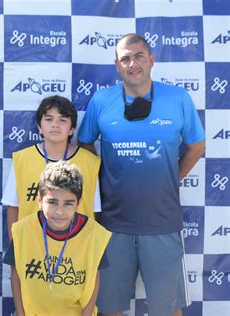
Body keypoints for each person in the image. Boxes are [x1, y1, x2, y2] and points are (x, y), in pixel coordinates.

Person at [78, 33, 205, 316]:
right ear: (117, 65)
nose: (132, 63)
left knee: (168, 308)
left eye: (138, 56)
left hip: (162, 222)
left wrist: (173, 177)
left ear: (151, 60)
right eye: (125, 58)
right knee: (110, 307)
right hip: (112, 224)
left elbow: (196, 146)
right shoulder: (101, 100)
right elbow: (84, 143)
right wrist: (104, 176)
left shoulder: (178, 98)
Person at [3, 161, 111, 315]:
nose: (59, 211)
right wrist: (21, 313)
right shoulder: (22, 231)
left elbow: (94, 278)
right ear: (40, 200)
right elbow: (16, 275)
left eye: (68, 204)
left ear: (78, 203)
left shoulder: (93, 234)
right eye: (52, 202)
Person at [2, 95, 101, 240]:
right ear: (39, 127)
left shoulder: (89, 162)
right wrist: (14, 251)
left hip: (77, 249)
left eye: (62, 120)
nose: (55, 125)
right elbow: (13, 208)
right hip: (33, 245)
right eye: (48, 119)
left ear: (72, 129)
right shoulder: (22, 159)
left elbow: (93, 211)